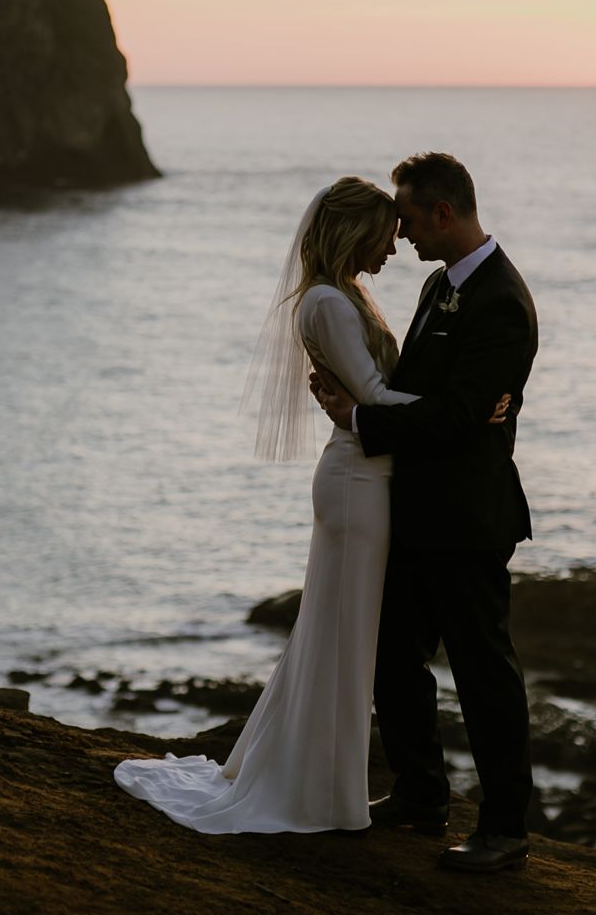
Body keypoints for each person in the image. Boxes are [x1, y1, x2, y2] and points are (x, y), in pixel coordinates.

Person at [113, 176, 419, 832]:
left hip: (365, 476)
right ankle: (316, 795)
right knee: (342, 641)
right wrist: (460, 410)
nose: (395, 246)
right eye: (386, 233)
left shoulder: (344, 296)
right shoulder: (331, 304)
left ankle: (318, 783)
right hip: (356, 483)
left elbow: (367, 396)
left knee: (337, 638)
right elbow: (369, 394)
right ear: (356, 230)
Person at [311, 152, 539, 874]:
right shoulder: (440, 285)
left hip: (468, 519)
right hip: (411, 512)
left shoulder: (500, 298)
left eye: (407, 217)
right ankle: (420, 792)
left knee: (482, 671)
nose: (399, 232)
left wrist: (363, 420)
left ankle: (505, 826)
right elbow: (436, 398)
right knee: (392, 655)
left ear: (444, 212)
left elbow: (461, 415)